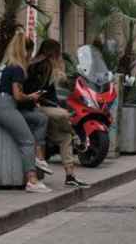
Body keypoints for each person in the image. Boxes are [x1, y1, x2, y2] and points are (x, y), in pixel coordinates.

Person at [0, 30, 51, 193]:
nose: (30, 57)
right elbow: (18, 96)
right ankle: (31, 180)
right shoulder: (17, 68)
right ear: (26, 51)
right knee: (27, 140)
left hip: (1, 104)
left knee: (40, 119)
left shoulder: (5, 65)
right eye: (30, 53)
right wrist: (32, 97)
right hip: (5, 105)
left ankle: (39, 156)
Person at [26, 39, 91, 189]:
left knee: (64, 137)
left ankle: (70, 176)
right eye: (58, 52)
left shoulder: (38, 64)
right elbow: (37, 91)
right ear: (54, 52)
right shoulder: (44, 65)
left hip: (45, 106)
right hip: (40, 107)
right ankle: (76, 136)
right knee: (65, 116)